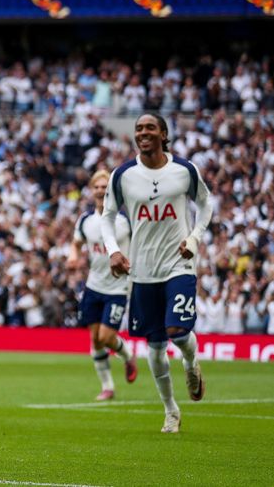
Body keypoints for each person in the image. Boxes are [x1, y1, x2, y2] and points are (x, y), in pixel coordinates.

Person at [102, 113, 212, 434]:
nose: (143, 133)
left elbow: (206, 204)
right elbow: (108, 217)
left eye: (150, 128)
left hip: (179, 264)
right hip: (143, 271)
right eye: (139, 129)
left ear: (164, 134)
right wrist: (113, 250)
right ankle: (171, 410)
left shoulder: (184, 170)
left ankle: (191, 364)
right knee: (154, 348)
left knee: (177, 330)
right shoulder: (123, 175)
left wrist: (194, 237)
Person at [66, 169, 138, 401]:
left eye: (104, 186)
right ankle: (107, 386)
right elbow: (76, 243)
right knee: (95, 339)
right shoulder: (86, 220)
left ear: (111, 190)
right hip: (94, 285)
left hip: (117, 287)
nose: (100, 190)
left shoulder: (124, 221)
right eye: (96, 186)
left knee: (107, 337)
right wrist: (73, 255)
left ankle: (127, 356)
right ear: (91, 190)